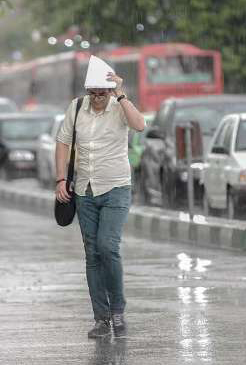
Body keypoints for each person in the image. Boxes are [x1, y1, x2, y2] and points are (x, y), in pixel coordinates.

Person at [55, 59, 145, 339]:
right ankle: (101, 319)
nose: (96, 99)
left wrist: (120, 93)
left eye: (101, 93)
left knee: (108, 247)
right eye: (92, 93)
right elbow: (63, 142)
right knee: (92, 254)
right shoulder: (77, 107)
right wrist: (60, 179)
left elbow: (140, 125)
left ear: (109, 91)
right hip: (84, 190)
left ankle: (118, 311)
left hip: (116, 187)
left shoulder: (119, 106)